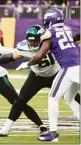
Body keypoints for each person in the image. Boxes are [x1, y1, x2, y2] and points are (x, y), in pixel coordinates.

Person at [0, 24, 80, 137]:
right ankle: (6, 128)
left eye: (35, 41)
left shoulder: (51, 43)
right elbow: (9, 57)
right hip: (36, 76)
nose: (33, 44)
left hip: (56, 74)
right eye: (31, 41)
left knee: (74, 97)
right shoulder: (24, 46)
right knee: (20, 101)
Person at [27, 8, 80, 142]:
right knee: (69, 97)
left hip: (68, 67)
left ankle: (53, 132)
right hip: (78, 65)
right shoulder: (67, 28)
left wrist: (28, 63)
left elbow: (40, 55)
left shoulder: (49, 33)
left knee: (53, 97)